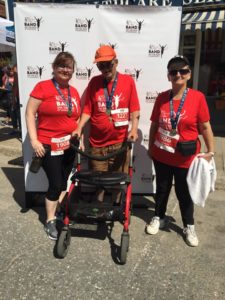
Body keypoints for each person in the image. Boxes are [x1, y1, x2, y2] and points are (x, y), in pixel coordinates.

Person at [146, 55, 214, 247]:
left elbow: (206, 126)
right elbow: (153, 126)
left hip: (186, 158)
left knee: (185, 193)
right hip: (162, 154)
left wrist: (211, 150)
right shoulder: (161, 97)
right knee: (161, 189)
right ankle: (159, 216)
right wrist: (151, 147)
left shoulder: (197, 98)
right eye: (173, 72)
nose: (178, 74)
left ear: (189, 74)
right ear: (168, 76)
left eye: (183, 71)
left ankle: (189, 225)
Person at [73, 45, 140, 203]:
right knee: (99, 183)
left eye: (108, 64)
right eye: (100, 65)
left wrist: (134, 130)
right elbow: (88, 110)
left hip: (119, 145)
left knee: (117, 182)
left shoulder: (128, 81)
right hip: (97, 146)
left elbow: (135, 110)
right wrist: (79, 127)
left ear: (116, 62)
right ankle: (99, 210)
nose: (105, 68)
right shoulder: (94, 82)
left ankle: (117, 208)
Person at [26, 52, 81, 240]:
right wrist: (34, 141)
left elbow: (76, 116)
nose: (66, 70)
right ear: (54, 67)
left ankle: (58, 212)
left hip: (69, 146)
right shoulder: (43, 87)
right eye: (62, 66)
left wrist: (78, 131)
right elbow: (29, 113)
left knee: (64, 180)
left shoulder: (73, 92)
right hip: (49, 146)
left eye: (69, 67)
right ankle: (50, 221)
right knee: (56, 184)